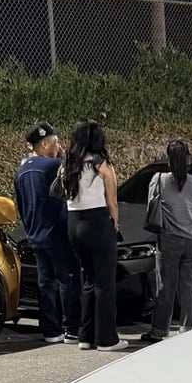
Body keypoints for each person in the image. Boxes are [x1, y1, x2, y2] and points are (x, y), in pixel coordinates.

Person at [13, 121, 81, 344]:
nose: (59, 146)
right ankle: (72, 328)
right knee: (69, 279)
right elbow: (74, 179)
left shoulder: (21, 172)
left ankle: (51, 331)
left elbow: (20, 205)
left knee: (45, 282)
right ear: (43, 144)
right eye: (56, 142)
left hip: (35, 235)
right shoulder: (53, 166)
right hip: (57, 232)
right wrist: (64, 158)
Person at [139, 139, 192, 344]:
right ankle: (187, 328)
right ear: (188, 158)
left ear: (169, 159)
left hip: (168, 240)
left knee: (165, 287)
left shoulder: (158, 180)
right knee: (189, 288)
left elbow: (151, 208)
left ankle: (159, 331)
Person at [63, 119, 123, 350]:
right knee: (105, 282)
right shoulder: (100, 163)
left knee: (88, 279)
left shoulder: (68, 163)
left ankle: (85, 336)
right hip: (97, 221)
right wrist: (114, 222)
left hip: (73, 223)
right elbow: (112, 201)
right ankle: (107, 339)